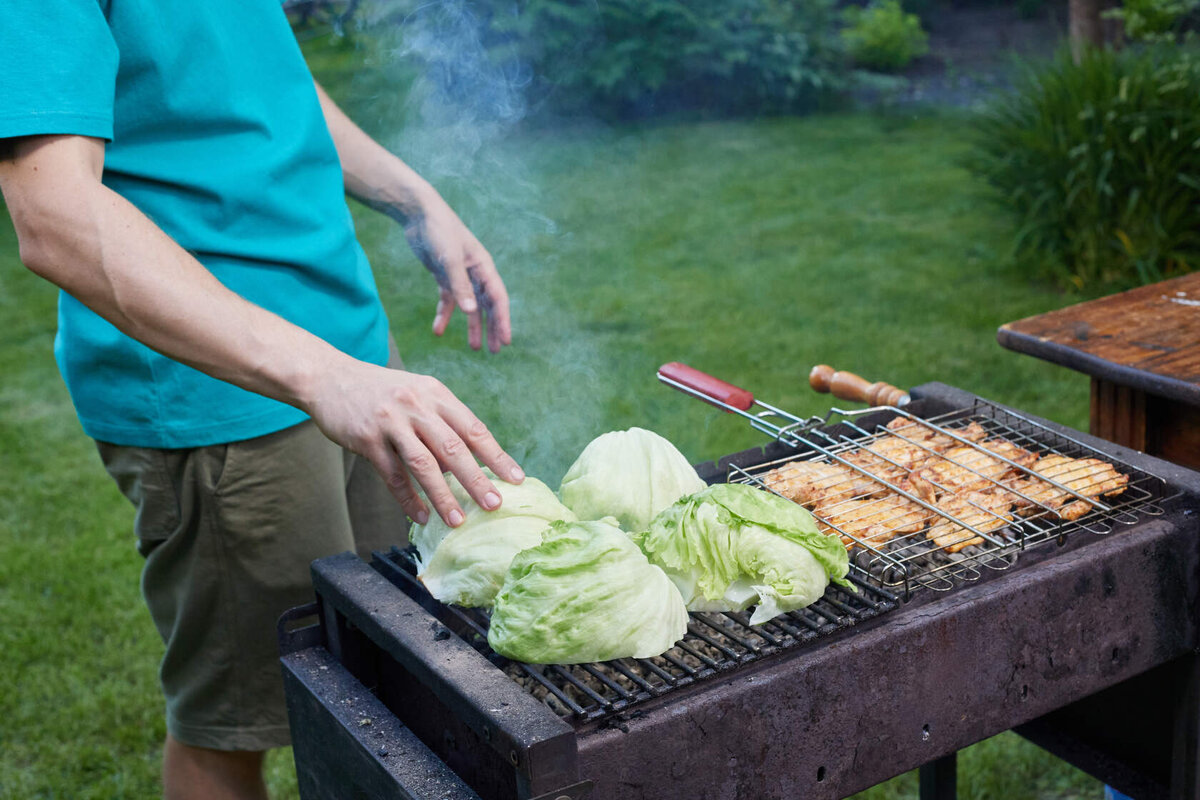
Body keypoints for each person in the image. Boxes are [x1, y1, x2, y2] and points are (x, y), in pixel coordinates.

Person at [0, 1, 524, 798]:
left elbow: (256, 77)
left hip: (352, 359)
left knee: (407, 663)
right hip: (221, 394)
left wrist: (414, 195)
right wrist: (322, 376)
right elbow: (56, 214)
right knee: (238, 720)